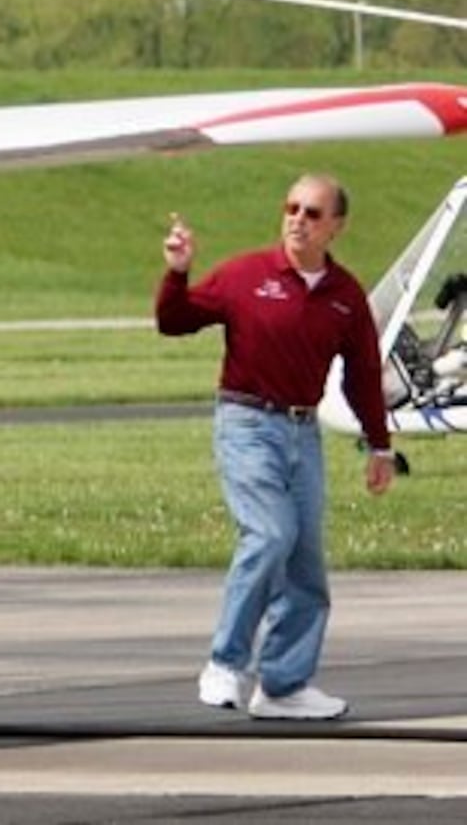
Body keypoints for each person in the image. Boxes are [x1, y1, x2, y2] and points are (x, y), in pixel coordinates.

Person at [156, 173, 395, 720]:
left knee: (306, 562)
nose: (297, 220)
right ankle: (225, 663)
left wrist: (379, 446)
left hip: (302, 431)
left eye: (312, 213)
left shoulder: (345, 296)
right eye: (291, 208)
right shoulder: (246, 274)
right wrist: (177, 272)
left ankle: (284, 686)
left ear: (336, 226)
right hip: (246, 422)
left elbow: (361, 375)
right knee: (270, 534)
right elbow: (175, 321)